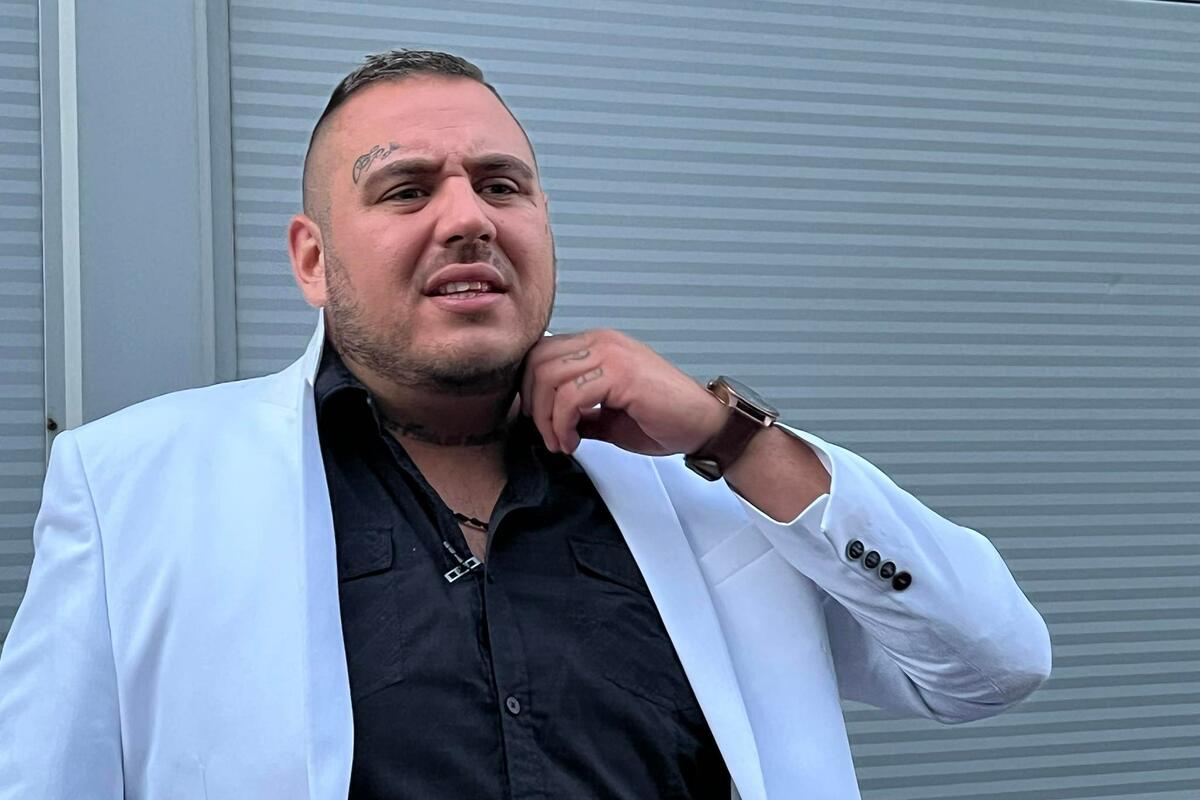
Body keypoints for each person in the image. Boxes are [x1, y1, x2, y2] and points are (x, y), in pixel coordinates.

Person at [0, 50, 1051, 799]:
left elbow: (992, 663)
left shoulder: (709, 486)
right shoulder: (134, 486)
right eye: (406, 189)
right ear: (313, 260)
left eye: (502, 184)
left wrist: (731, 437)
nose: (468, 217)